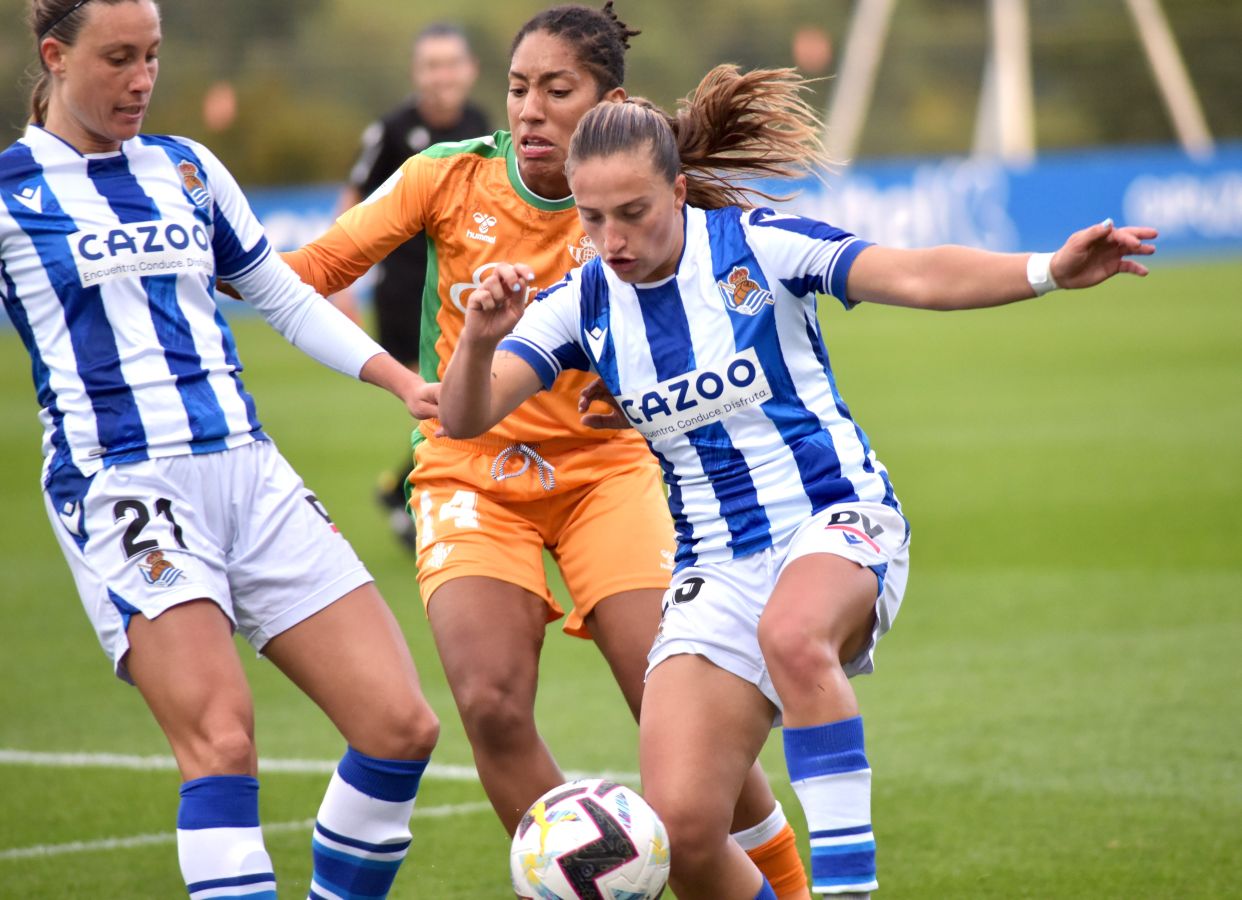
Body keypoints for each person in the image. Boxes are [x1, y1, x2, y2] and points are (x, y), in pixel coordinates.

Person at [436, 67, 1158, 899]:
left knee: (793, 636)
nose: (614, 238)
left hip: (836, 521)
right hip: (715, 568)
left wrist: (1046, 271)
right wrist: (481, 340)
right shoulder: (581, 302)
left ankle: (850, 887)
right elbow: (465, 417)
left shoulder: (758, 246)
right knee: (686, 832)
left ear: (677, 191)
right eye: (593, 219)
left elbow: (916, 275)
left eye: (634, 213)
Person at [283, 4, 810, 896]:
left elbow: (733, 321)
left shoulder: (654, 197)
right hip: (469, 474)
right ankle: (595, 883)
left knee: (672, 704)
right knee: (488, 704)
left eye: (556, 90)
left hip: (610, 475)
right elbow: (297, 276)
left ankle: (780, 891)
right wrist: (387, 374)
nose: (529, 108)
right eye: (519, 87)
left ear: (611, 102)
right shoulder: (445, 177)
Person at [3, 2, 443, 898]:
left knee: (399, 725)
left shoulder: (187, 168)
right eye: (118, 58)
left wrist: (401, 381)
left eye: (154, 56)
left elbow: (279, 295)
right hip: (124, 484)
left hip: (248, 466)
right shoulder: (11, 192)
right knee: (223, 740)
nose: (142, 79)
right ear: (54, 55)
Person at [330, 23, 491, 548]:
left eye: (450, 64)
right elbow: (354, 196)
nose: (441, 76)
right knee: (449, 396)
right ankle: (416, 493)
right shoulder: (393, 129)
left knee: (462, 396)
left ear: (469, 72)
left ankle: (401, 489)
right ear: (416, 74)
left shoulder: (481, 123)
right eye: (431, 65)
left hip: (466, 286)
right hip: (406, 293)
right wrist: (341, 281)